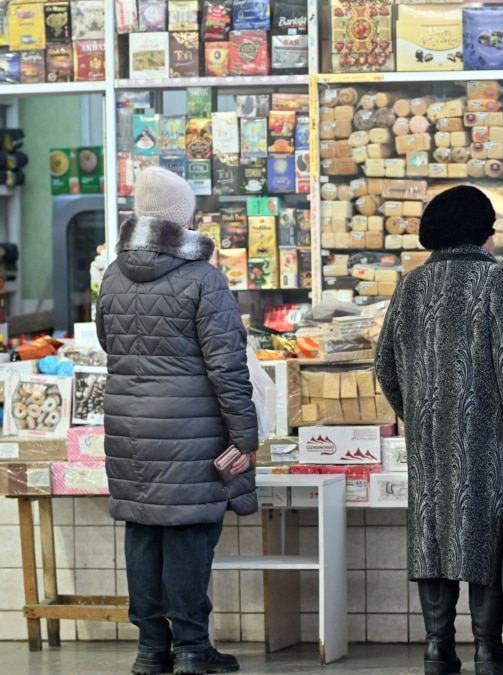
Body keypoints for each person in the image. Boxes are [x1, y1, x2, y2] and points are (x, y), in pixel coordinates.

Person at [376, 185, 503, 675]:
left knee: (433, 536)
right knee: (487, 536)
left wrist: (418, 413)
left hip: (429, 442)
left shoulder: (411, 285)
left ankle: (437, 647)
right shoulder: (500, 283)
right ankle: (489, 650)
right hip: (488, 440)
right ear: (482, 233)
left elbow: (384, 364)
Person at [97, 166, 258, 675]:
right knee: (189, 531)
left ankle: (150, 650)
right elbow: (227, 366)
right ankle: (190, 648)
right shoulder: (203, 278)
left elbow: (108, 343)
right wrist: (245, 434)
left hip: (129, 429)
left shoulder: (113, 273)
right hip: (191, 431)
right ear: (181, 218)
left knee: (143, 533)